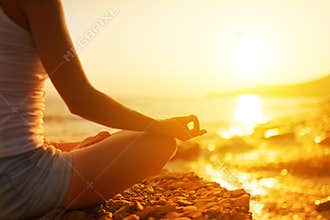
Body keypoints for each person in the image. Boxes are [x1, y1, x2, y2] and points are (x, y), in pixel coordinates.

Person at [0, 0, 207, 219]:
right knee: (158, 143)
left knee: (100, 142)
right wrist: (159, 125)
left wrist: (69, 147)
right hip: (19, 188)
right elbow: (81, 101)